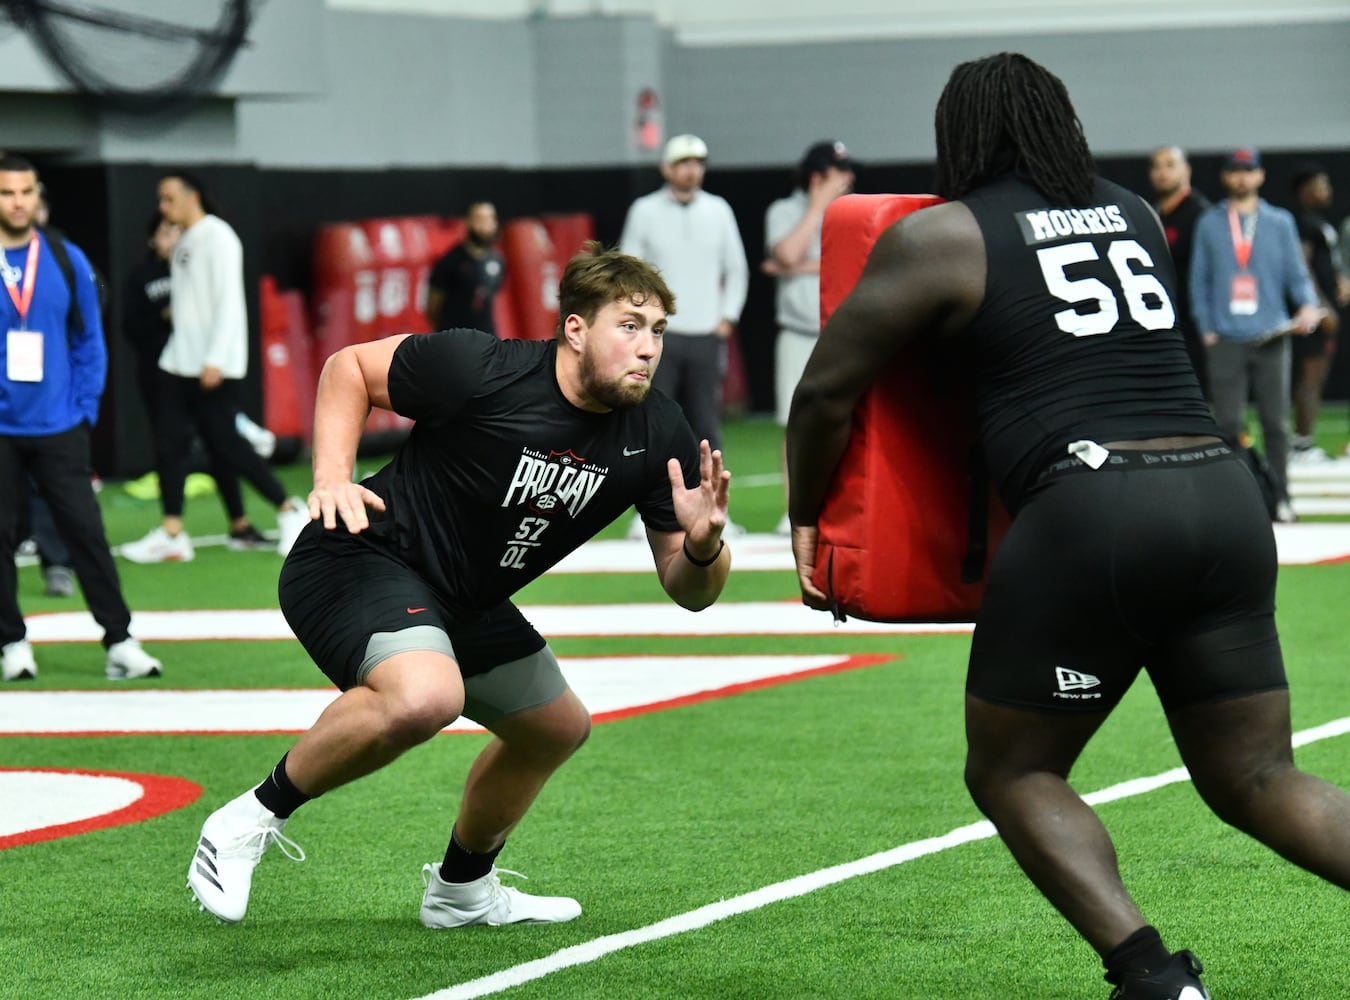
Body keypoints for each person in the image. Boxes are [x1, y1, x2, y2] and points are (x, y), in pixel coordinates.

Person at [786, 54, 1350, 999]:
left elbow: (826, 392)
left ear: (961, 135)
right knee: (1259, 776)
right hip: (1223, 492)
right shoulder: (1133, 210)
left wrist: (811, 515)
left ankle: (1155, 980)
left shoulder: (943, 237)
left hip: (1097, 509)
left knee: (1013, 772)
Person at [186, 242, 732, 928]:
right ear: (574, 329)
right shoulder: (481, 367)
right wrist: (330, 478)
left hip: (461, 599)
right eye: (628, 325)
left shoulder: (658, 432)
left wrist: (707, 546)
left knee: (555, 728)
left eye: (656, 331)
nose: (647, 347)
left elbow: (689, 589)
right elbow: (348, 367)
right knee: (425, 696)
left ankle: (461, 890)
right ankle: (246, 820)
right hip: (359, 555)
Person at [0, 153, 163, 681]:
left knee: (86, 532)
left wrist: (84, 408)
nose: (17, 202)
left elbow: (90, 340)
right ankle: (12, 642)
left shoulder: (66, 258)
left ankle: (119, 639)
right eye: (7, 193)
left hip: (59, 425)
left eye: (25, 192)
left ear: (37, 196)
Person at [121, 173, 307, 563]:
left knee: (227, 444)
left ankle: (290, 509)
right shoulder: (184, 241)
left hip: (210, 365)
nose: (163, 207)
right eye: (161, 199)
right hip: (178, 362)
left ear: (193, 197)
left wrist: (216, 359)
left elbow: (228, 303)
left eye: (169, 199)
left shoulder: (218, 236)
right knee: (169, 444)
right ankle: (172, 532)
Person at [620, 134, 747, 537]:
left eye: (697, 162)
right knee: (651, 424)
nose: (691, 170)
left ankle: (713, 511)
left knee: (707, 426)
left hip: (706, 334)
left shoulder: (719, 210)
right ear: (666, 168)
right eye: (683, 163)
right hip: (659, 338)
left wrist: (726, 318)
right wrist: (641, 325)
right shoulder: (644, 211)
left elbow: (737, 268)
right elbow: (627, 269)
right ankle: (647, 517)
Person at [1190, 148, 1323, 523]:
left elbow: (1297, 276)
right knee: (1228, 424)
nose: (1241, 178)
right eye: (1235, 171)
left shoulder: (1279, 222)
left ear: (1261, 176)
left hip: (1271, 336)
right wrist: (1207, 329)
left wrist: (1308, 306)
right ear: (1225, 177)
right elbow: (1199, 280)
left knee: (1276, 424)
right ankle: (1238, 502)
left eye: (1248, 171)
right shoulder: (1210, 223)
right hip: (1226, 338)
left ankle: (1280, 497)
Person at [764, 139, 855, 534]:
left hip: (842, 332)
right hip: (798, 332)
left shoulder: (852, 211)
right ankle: (793, 511)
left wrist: (798, 267)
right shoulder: (783, 209)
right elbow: (787, 254)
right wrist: (817, 206)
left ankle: (843, 507)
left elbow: (852, 264)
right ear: (817, 177)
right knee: (796, 422)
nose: (849, 179)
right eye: (840, 172)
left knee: (848, 419)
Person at [1289, 163, 1350, 462]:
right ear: (1306, 191)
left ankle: (1303, 442)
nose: (1327, 191)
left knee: (1317, 376)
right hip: (1315, 315)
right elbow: (1302, 268)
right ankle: (1301, 444)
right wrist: (1321, 307)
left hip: (1327, 309)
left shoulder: (1321, 223)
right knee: (1310, 378)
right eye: (1321, 186)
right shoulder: (1303, 223)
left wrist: (1339, 280)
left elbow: (1326, 264)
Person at [1148, 146, 1211, 398]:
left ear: (1186, 170)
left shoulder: (1201, 214)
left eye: (1170, 165)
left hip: (1192, 322)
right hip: (1160, 319)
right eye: (1156, 166)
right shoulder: (1149, 213)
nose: (1162, 172)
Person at [425, 201, 506, 334]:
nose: (485, 225)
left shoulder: (497, 261)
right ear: (467, 222)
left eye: (490, 219)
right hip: (455, 338)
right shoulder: (450, 261)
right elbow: (433, 306)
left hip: (486, 338)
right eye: (479, 219)